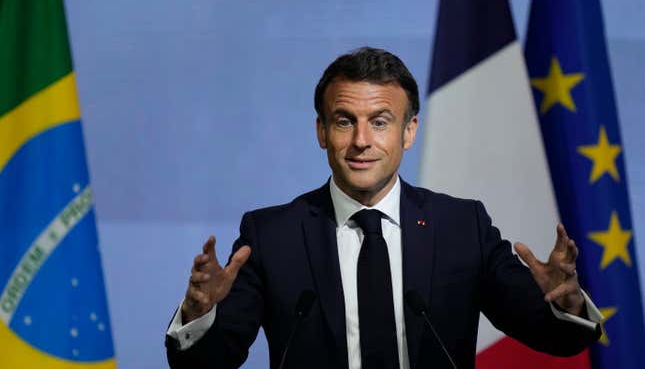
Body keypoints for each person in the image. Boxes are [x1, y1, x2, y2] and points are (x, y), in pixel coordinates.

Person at [165, 47, 601, 369]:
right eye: (343, 121)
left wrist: (566, 305)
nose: (360, 141)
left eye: (379, 121)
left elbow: (556, 339)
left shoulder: (461, 227)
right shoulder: (272, 235)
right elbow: (207, 363)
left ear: (408, 132)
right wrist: (200, 316)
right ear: (321, 131)